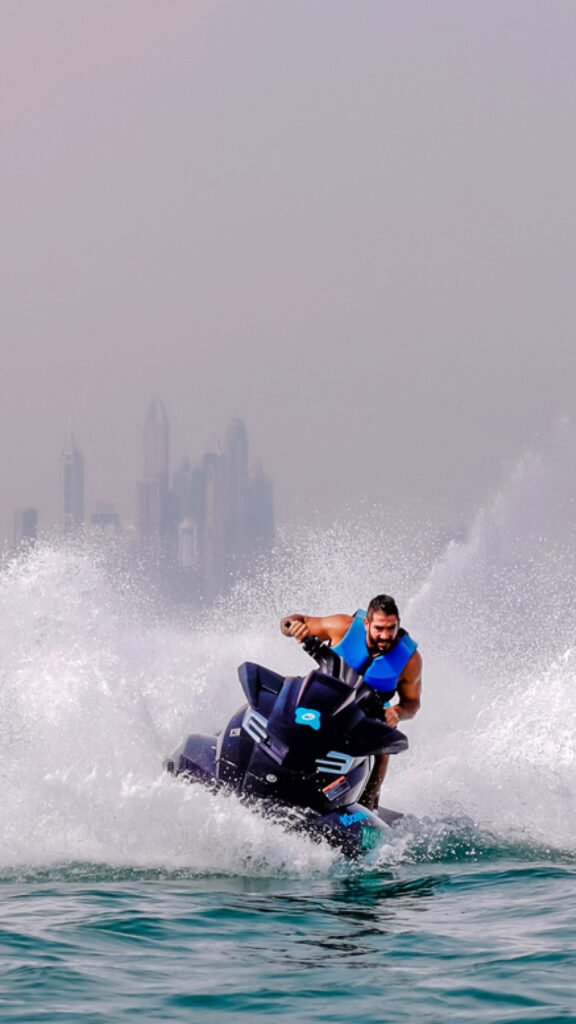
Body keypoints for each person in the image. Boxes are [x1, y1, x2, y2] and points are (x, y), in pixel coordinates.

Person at [280, 594, 422, 810]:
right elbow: (291, 621)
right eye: (379, 628)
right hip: (323, 698)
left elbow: (412, 703)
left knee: (383, 747)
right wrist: (292, 627)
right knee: (288, 685)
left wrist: (397, 712)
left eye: (391, 629)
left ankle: (367, 804)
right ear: (366, 623)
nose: (385, 635)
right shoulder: (343, 627)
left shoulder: (409, 659)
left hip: (365, 713)